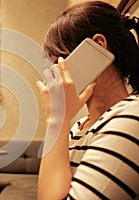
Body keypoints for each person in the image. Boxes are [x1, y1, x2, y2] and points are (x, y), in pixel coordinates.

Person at [36, 1, 139, 200]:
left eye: (59, 61)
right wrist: (59, 122)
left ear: (98, 46)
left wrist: (56, 120)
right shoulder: (78, 127)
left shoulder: (131, 118)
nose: (55, 72)